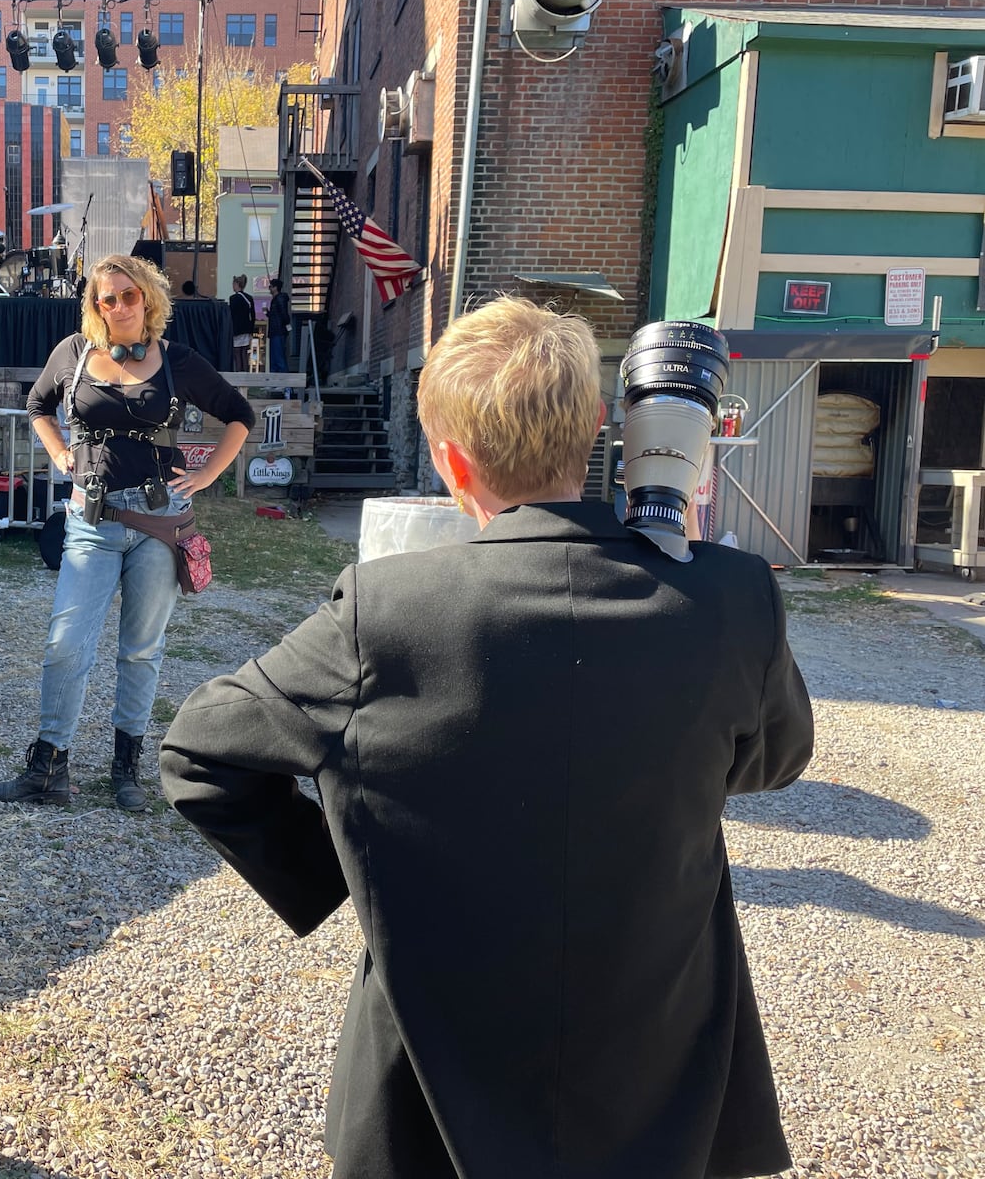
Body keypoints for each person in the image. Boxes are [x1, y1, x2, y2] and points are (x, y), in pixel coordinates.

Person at [160, 296, 815, 1179]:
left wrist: (348, 874)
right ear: (595, 430)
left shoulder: (384, 612)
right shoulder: (734, 597)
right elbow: (773, 760)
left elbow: (198, 750)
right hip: (663, 1079)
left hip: (429, 1094)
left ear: (448, 460)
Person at [0, 254, 254, 811]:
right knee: (66, 646)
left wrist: (205, 476)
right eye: (106, 298)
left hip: (158, 524)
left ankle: (126, 769)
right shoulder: (73, 355)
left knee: (140, 651)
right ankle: (48, 768)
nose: (118, 306)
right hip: (90, 521)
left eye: (128, 295)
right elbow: (38, 405)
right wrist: (58, 451)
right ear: (95, 306)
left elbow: (239, 413)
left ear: (148, 299)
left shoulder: (177, 362)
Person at [227, 273, 255, 371]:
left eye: (233, 284)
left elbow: (231, 315)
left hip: (236, 329)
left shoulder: (233, 298)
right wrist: (251, 330)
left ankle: (239, 375)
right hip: (246, 329)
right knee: (244, 354)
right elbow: (253, 315)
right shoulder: (249, 298)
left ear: (237, 284)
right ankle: (246, 375)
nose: (232, 286)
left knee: (237, 353)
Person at [266, 277, 291, 373]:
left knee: (278, 356)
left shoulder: (279, 299)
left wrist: (285, 324)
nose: (269, 289)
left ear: (275, 288)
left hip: (278, 331)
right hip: (275, 331)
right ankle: (274, 380)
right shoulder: (275, 300)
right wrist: (268, 313)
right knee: (274, 357)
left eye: (270, 286)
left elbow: (284, 315)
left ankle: (282, 380)